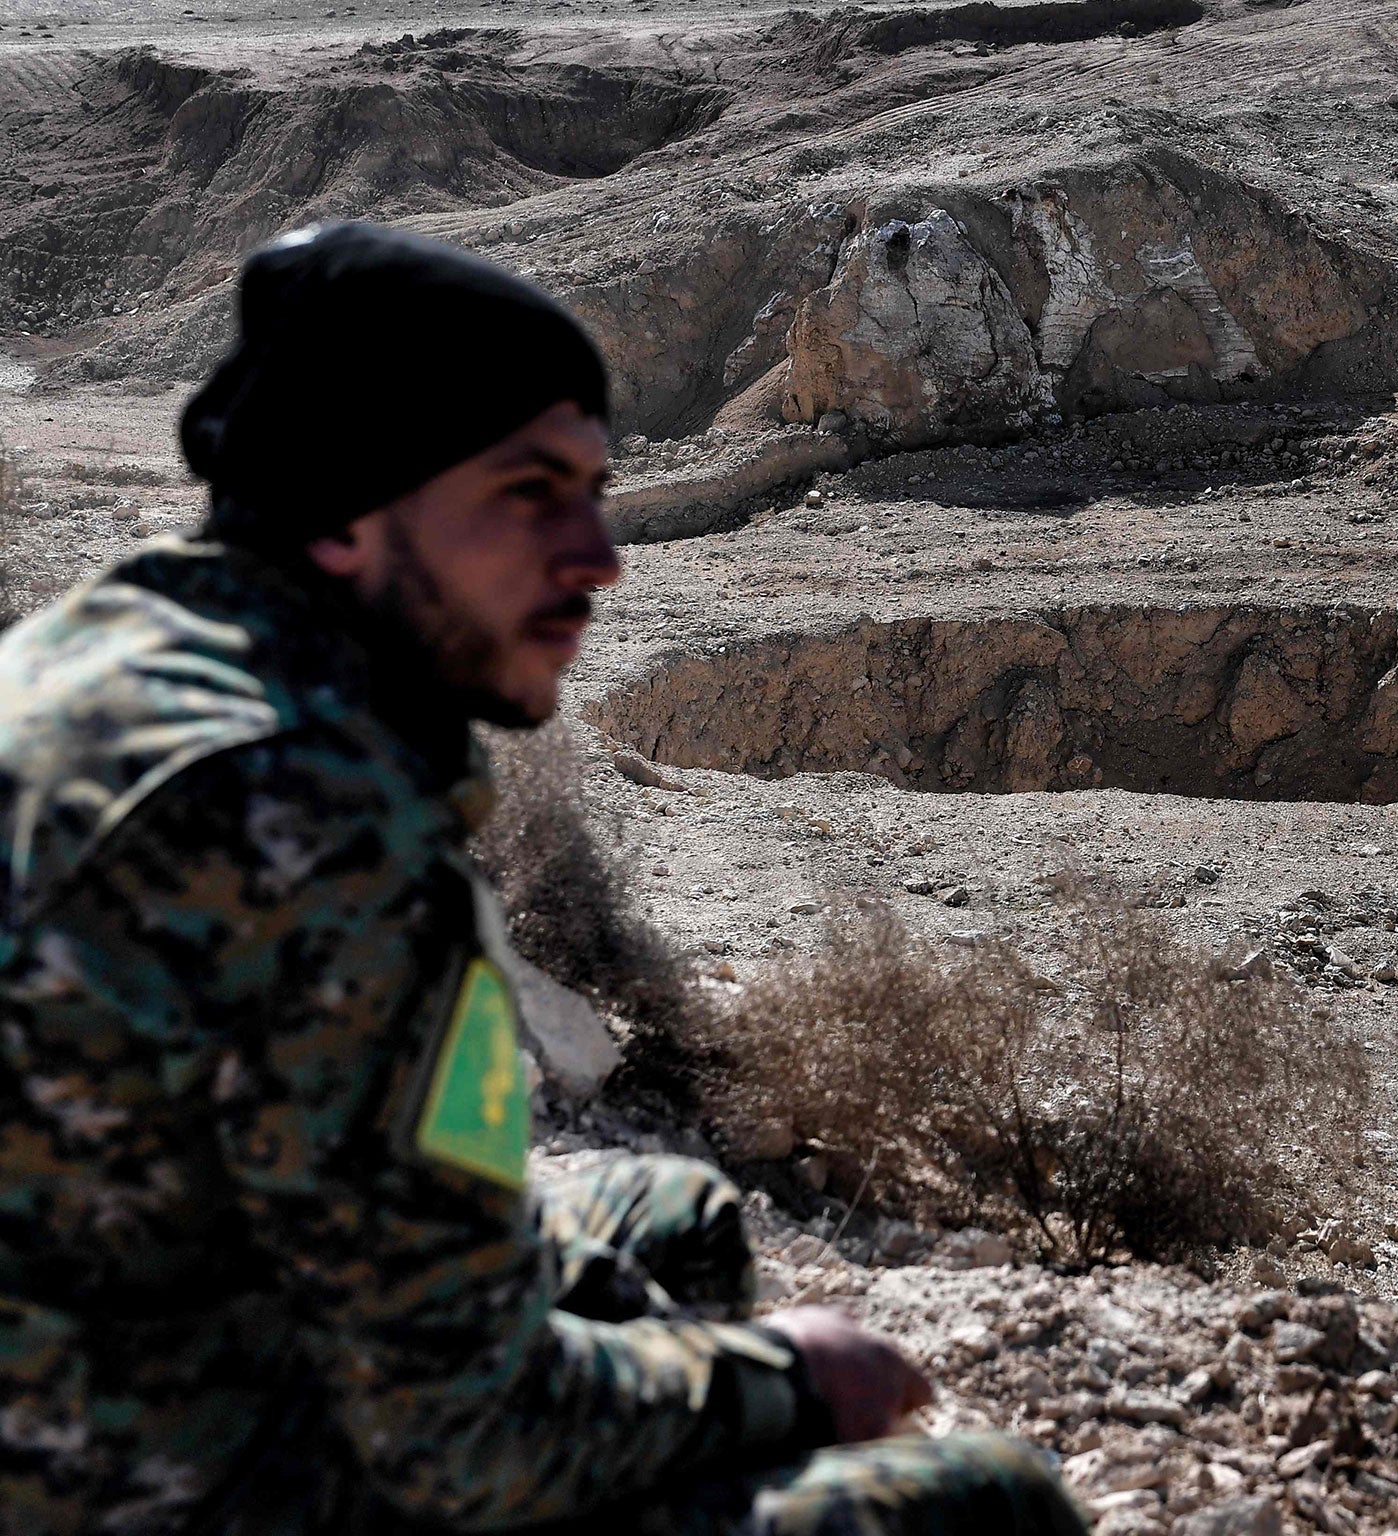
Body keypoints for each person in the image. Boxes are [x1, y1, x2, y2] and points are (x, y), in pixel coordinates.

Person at [0, 224, 1086, 1536]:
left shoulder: (80, 663)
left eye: (593, 487)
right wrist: (782, 1378)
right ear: (344, 506)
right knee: (988, 1501)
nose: (598, 553)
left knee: (672, 1213)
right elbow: (469, 1442)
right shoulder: (315, 824)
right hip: (142, 1477)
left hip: (134, 1317)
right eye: (528, 492)